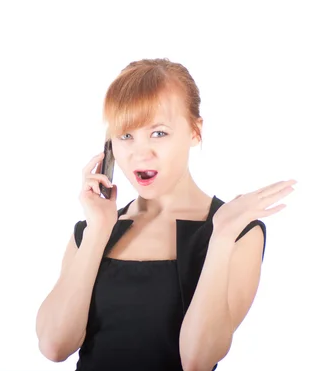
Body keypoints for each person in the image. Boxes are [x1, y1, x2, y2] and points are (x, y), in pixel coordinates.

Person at [35, 58, 296, 371]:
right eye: (125, 135)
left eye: (158, 133)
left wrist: (221, 236)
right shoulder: (91, 230)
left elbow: (197, 360)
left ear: (195, 132)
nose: (139, 153)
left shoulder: (237, 232)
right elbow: (54, 346)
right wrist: (98, 231)